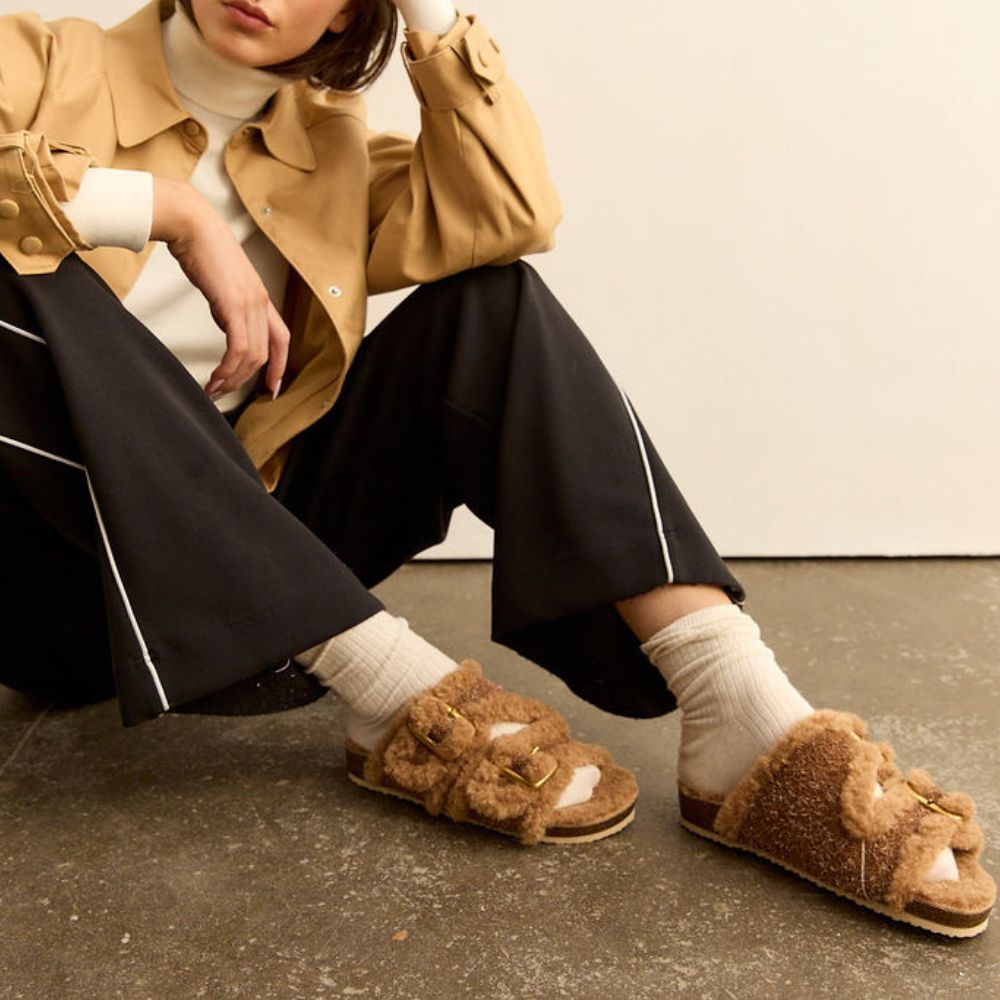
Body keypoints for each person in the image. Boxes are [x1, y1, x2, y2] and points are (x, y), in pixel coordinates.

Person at [0, 0, 993, 937]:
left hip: (255, 579)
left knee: (492, 303)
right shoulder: (40, 60)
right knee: (22, 282)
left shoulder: (329, 152)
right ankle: (380, 673)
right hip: (56, 585)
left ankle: (734, 703)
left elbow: (513, 212)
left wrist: (431, 19)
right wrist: (172, 211)